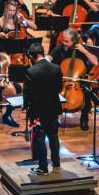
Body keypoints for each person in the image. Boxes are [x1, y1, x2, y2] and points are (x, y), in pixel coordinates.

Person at [47, 28, 99, 131]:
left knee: (87, 92)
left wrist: (84, 51)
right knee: (50, 89)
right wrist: (44, 61)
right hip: (62, 79)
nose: (64, 43)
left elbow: (95, 63)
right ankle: (54, 117)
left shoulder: (82, 49)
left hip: (78, 81)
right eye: (63, 40)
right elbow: (49, 58)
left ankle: (84, 118)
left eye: (67, 41)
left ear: (74, 41)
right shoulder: (59, 48)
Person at [24, 42, 63, 175]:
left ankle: (43, 167)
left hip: (38, 110)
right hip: (53, 107)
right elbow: (59, 89)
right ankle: (56, 162)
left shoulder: (31, 71)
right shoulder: (56, 68)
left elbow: (28, 93)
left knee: (40, 137)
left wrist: (25, 106)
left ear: (32, 56)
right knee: (53, 136)